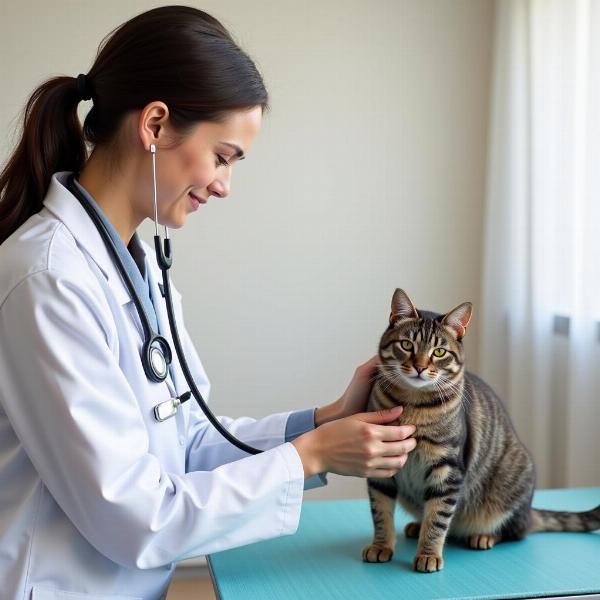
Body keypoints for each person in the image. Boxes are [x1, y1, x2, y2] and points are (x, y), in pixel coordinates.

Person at [0, 6, 416, 599]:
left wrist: (324, 423)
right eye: (222, 156)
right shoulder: (48, 279)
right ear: (155, 125)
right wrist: (310, 457)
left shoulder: (140, 268)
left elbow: (188, 445)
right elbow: (133, 514)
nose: (224, 184)